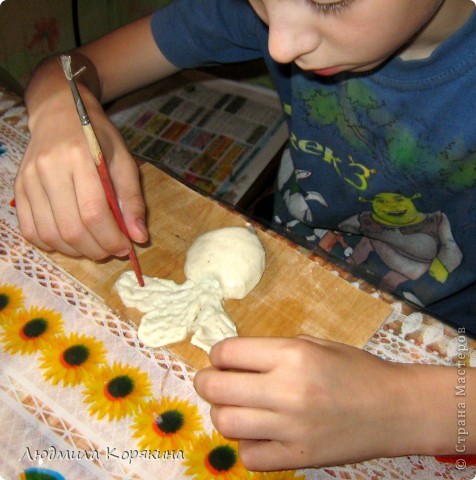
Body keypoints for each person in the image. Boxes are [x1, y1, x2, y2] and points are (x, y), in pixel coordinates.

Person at [14, 0, 475, 471]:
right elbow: (70, 67)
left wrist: (406, 409)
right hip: (295, 269)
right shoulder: (277, 14)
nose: (280, 44)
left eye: (329, 0)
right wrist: (61, 106)